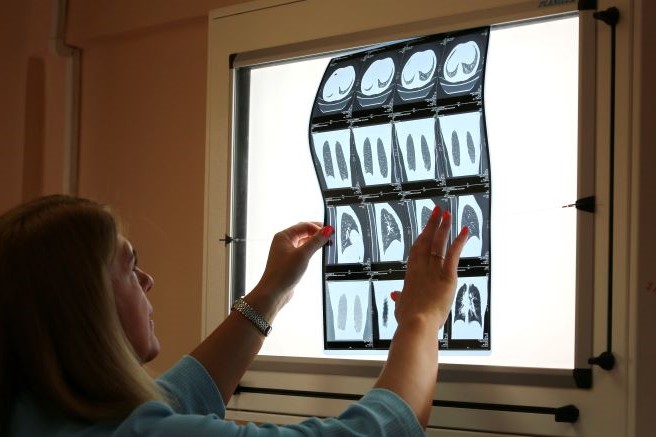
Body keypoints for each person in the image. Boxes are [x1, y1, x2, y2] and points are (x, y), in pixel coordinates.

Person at [0, 194, 468, 435]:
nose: (147, 280)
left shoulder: (35, 413)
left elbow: (173, 398)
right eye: (129, 265)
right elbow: (368, 436)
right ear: (84, 308)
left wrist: (271, 292)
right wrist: (421, 319)